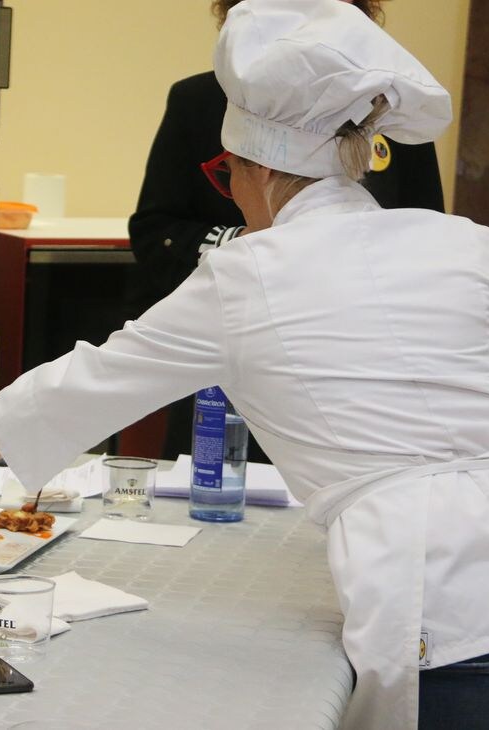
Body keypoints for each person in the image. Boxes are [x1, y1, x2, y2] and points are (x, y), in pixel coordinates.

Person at [0, 2, 489, 728]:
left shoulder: (244, 274)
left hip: (459, 641)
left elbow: (75, 390)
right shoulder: (460, 241)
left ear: (250, 170)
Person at [130, 0, 445, 461]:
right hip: (233, 367)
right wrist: (257, 250)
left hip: (357, 367)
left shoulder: (385, 109)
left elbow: (422, 234)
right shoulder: (199, 102)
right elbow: (156, 232)